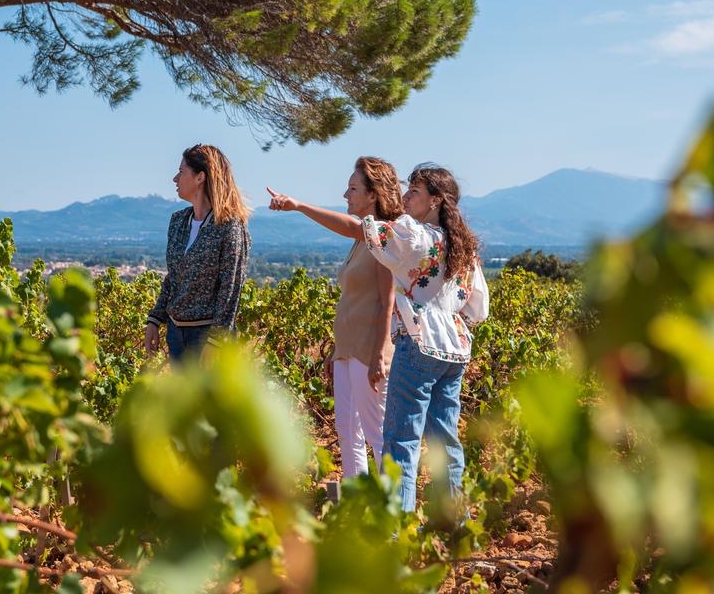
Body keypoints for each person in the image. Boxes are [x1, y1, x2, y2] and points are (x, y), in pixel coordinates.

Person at [268, 163, 489, 512]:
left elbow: (359, 229)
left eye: (414, 192)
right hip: (455, 349)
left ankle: (395, 531)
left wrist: (300, 206)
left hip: (418, 343)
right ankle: (454, 525)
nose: (405, 196)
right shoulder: (464, 249)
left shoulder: (414, 235)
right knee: (446, 443)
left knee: (399, 442)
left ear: (435, 201)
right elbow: (477, 308)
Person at [268, 157, 403, 477]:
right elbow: (354, 301)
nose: (345, 195)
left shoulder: (382, 237)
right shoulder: (361, 242)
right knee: (348, 433)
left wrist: (299, 205)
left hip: (369, 351)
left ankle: (392, 515)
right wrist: (335, 350)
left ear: (373, 195)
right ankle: (357, 510)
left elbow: (388, 301)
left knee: (377, 436)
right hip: (348, 350)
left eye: (353, 188)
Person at [145, 144, 251, 360]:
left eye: (181, 171)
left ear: (200, 177)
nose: (175, 178)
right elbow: (174, 277)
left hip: (207, 337)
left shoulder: (230, 227)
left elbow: (230, 288)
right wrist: (154, 319)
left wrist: (216, 341)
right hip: (176, 334)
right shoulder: (178, 221)